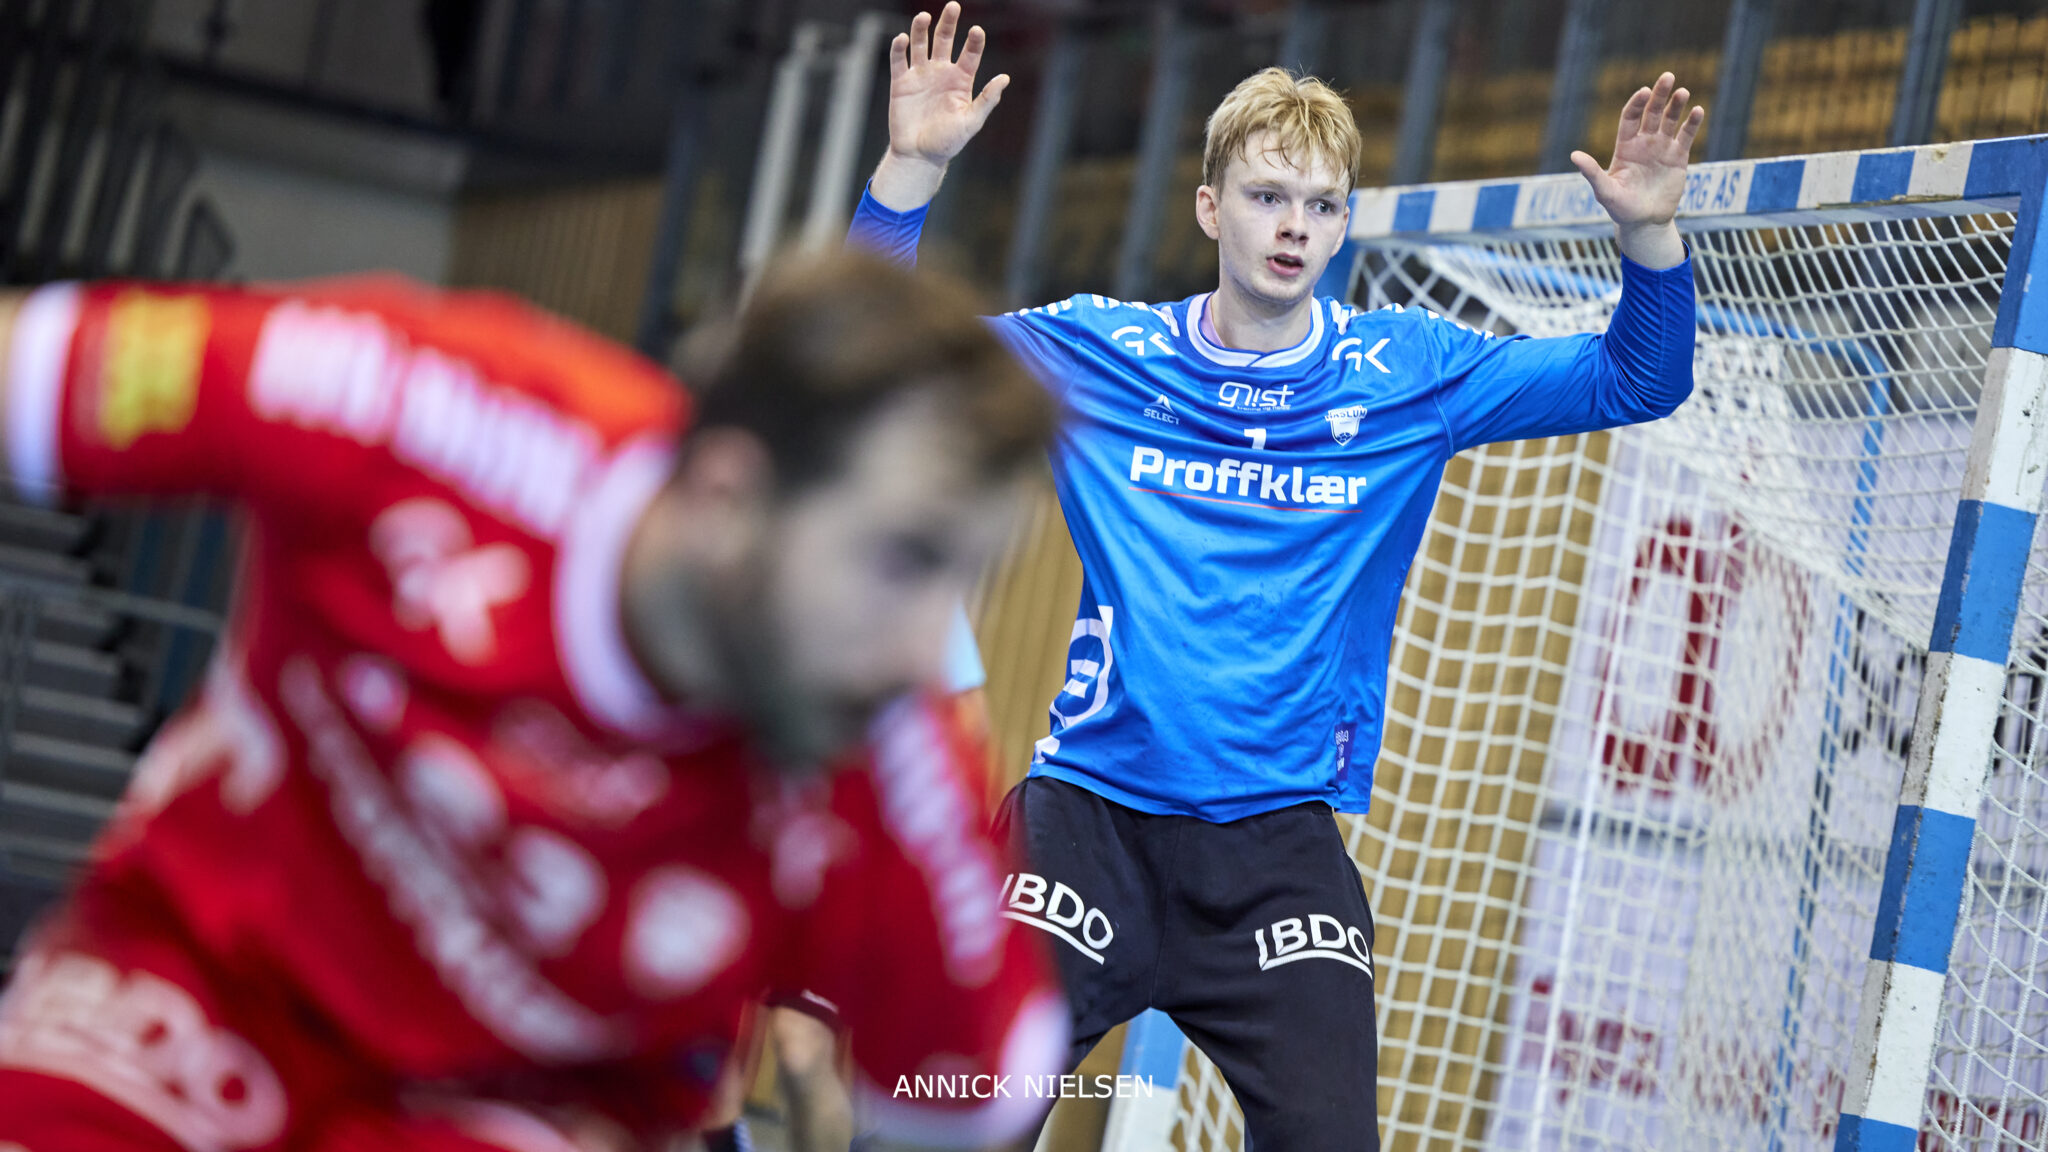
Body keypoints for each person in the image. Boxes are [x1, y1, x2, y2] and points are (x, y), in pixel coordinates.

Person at [850, 6, 1702, 1148]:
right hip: (1086, 828)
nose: (1294, 226)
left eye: (1321, 204)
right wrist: (908, 173)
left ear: (1343, 222)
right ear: (1210, 208)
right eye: (1266, 196)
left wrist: (1649, 237)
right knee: (930, 1120)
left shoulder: (1407, 375)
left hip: (1274, 855)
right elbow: (872, 355)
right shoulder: (1103, 355)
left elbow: (1637, 380)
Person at [0, 251, 1068, 1150]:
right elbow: (32, 368)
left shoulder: (889, 757)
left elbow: (981, 1088)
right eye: (902, 560)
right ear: (727, 495)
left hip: (509, 1110)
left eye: (963, 575)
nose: (923, 648)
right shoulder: (411, 403)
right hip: (203, 978)